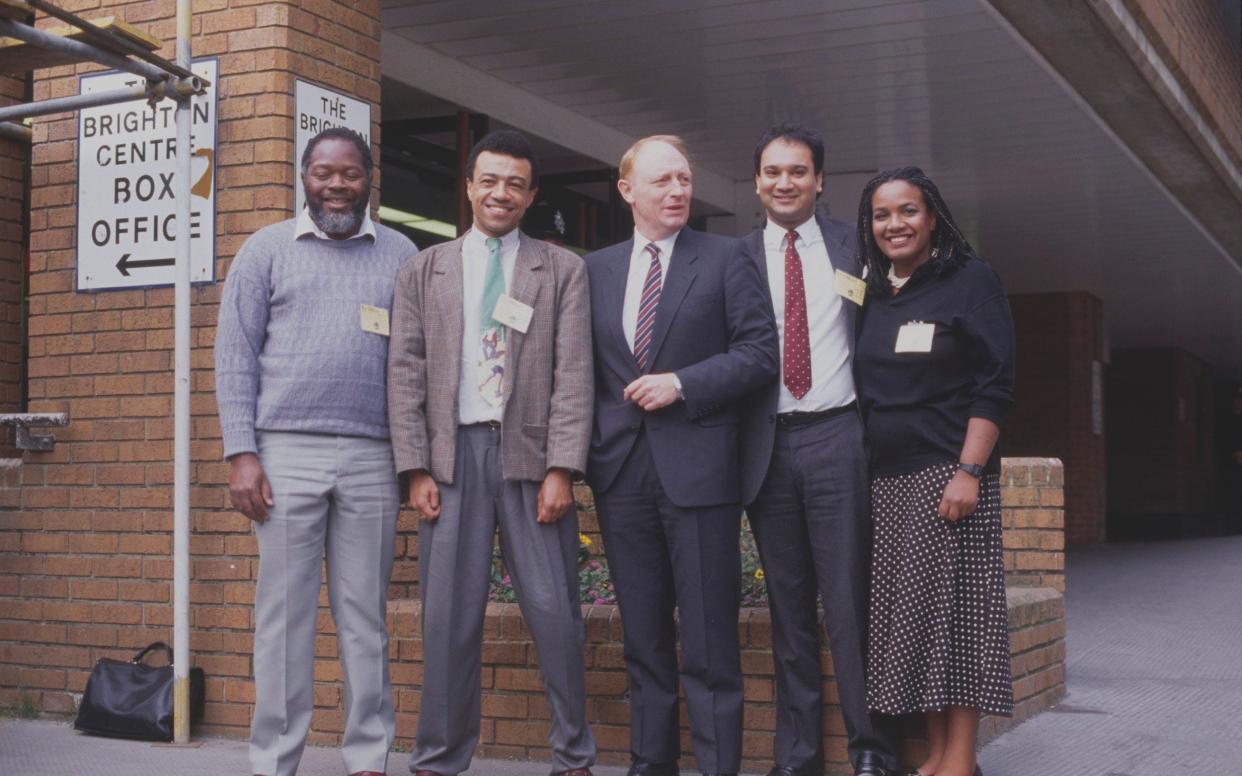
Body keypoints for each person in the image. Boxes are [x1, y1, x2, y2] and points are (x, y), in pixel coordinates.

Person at [387, 129, 596, 776]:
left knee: (555, 613)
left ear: (531, 195)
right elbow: (405, 370)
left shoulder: (562, 270)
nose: (501, 192)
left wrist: (562, 468)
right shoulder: (426, 268)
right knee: (447, 620)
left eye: (515, 183)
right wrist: (416, 467)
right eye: (490, 179)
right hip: (451, 462)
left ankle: (573, 755)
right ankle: (440, 758)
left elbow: (573, 373)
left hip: (531, 462)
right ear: (469, 185)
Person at [214, 127, 417, 776]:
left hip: (373, 459)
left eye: (350, 173)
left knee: (364, 619)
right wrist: (241, 453)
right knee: (284, 619)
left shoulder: (403, 254)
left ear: (368, 180)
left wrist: (414, 459)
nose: (337, 184)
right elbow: (234, 356)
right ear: (304, 177)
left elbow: (416, 360)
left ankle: (367, 759)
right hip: (283, 456)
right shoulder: (265, 250)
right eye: (324, 172)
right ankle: (275, 760)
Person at [584, 135, 779, 776]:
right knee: (642, 639)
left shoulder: (727, 259)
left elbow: (758, 355)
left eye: (684, 180)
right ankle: (651, 763)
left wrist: (682, 383)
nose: (676, 192)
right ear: (627, 190)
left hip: (700, 471)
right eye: (662, 181)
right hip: (621, 474)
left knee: (709, 639)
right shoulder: (596, 269)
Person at [737, 125, 899, 776]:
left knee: (850, 602)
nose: (785, 182)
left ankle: (871, 751)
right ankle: (798, 757)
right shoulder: (735, 258)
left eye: (798, 171)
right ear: (756, 182)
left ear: (820, 180)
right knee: (789, 611)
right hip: (767, 445)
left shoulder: (853, 245)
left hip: (838, 436)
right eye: (773, 171)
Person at [853, 167, 1016, 776]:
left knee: (961, 621)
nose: (894, 224)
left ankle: (959, 760)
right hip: (888, 484)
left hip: (950, 480)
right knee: (917, 625)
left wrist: (970, 469)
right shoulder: (873, 293)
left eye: (908, 210)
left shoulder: (972, 281)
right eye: (881, 214)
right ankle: (942, 757)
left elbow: (994, 385)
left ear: (933, 215)